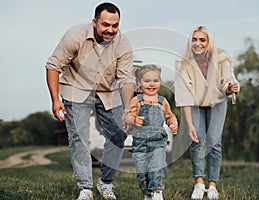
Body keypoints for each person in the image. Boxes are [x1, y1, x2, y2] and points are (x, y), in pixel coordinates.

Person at [45, 2, 135, 200]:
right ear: (94, 22)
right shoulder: (75, 35)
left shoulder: (123, 43)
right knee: (79, 137)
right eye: (105, 25)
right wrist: (55, 100)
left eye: (115, 25)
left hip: (107, 91)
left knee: (119, 135)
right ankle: (85, 188)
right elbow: (53, 66)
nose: (110, 30)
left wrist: (128, 109)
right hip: (76, 88)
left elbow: (126, 79)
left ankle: (105, 183)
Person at [174, 26, 239, 200]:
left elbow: (226, 82)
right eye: (194, 39)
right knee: (197, 140)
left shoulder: (221, 58)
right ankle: (199, 183)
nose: (198, 43)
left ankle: (212, 186)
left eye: (202, 40)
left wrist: (230, 88)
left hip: (217, 102)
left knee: (214, 142)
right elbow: (184, 95)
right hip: (195, 103)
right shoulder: (182, 62)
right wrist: (189, 126)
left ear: (209, 42)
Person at [124, 65, 178, 200]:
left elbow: (170, 116)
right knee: (142, 172)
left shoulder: (162, 101)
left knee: (157, 165)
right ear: (139, 82)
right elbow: (128, 117)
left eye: (155, 80)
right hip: (140, 142)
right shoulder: (136, 100)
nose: (151, 84)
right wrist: (134, 120)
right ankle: (147, 193)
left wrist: (173, 123)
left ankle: (157, 191)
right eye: (147, 81)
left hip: (158, 141)